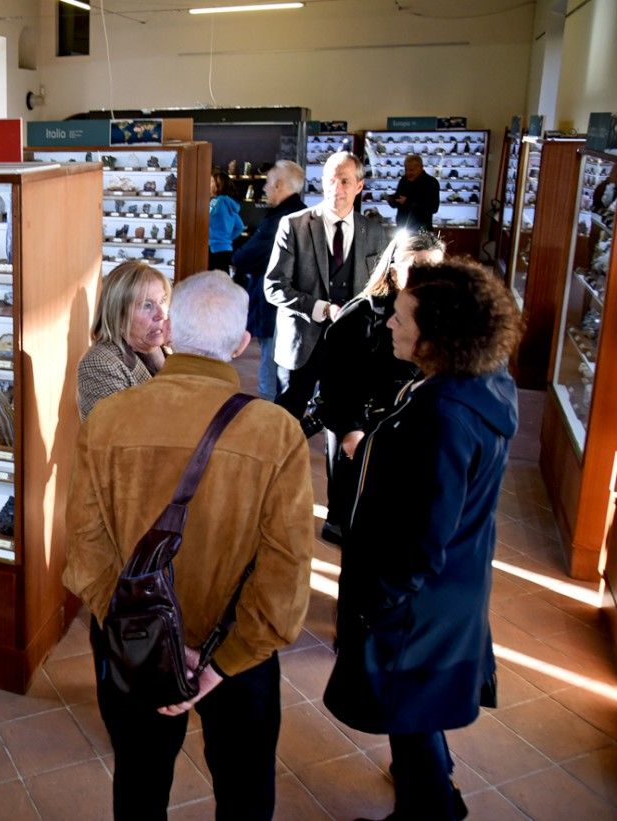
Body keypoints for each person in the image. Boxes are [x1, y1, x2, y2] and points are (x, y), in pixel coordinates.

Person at [64, 271, 315, 820]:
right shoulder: (276, 433)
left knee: (139, 788)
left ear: (171, 327)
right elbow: (287, 574)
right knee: (245, 793)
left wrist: (140, 632)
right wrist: (222, 663)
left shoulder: (108, 420)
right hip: (237, 656)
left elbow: (86, 550)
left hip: (137, 646)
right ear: (243, 343)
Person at [324, 259, 522, 820]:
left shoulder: (443, 416)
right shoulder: (483, 384)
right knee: (418, 702)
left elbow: (420, 538)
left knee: (408, 699)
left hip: (419, 602)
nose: (389, 321)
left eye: (403, 316)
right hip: (452, 587)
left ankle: (432, 806)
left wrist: (379, 601)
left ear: (440, 335)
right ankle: (430, 787)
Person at [314, 231, 446, 544]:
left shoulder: (438, 317)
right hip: (363, 427)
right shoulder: (359, 316)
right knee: (356, 523)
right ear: (393, 269)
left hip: (410, 431)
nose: (424, 280)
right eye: (416, 269)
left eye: (433, 271)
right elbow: (335, 384)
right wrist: (351, 430)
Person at [263, 150, 387, 420]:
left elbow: (381, 291)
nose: (336, 188)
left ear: (359, 186)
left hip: (351, 348)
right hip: (300, 343)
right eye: (330, 180)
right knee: (285, 421)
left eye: (344, 181)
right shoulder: (294, 225)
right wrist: (321, 308)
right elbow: (274, 286)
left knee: (344, 422)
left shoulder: (375, 233)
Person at [232, 160, 308, 401]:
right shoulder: (304, 214)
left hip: (274, 308)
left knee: (270, 381)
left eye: (266, 184)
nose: (264, 188)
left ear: (279, 185)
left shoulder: (279, 220)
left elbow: (245, 257)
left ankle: (272, 432)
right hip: (294, 307)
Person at [76, 260, 171, 419]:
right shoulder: (100, 364)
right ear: (118, 315)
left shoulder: (170, 350)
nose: (161, 314)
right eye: (147, 305)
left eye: (162, 301)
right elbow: (114, 437)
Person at [389, 154, 440, 233]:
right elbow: (399, 199)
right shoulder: (404, 180)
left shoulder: (431, 183)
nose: (408, 173)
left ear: (421, 168)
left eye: (411, 170)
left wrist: (408, 202)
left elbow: (433, 208)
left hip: (422, 230)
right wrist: (392, 199)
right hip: (403, 229)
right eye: (406, 170)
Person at [208, 169, 245, 272]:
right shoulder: (230, 203)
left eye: (211, 182)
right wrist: (226, 238)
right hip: (226, 247)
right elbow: (240, 226)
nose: (208, 184)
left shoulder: (215, 201)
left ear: (218, 185)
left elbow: (204, 216)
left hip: (213, 248)